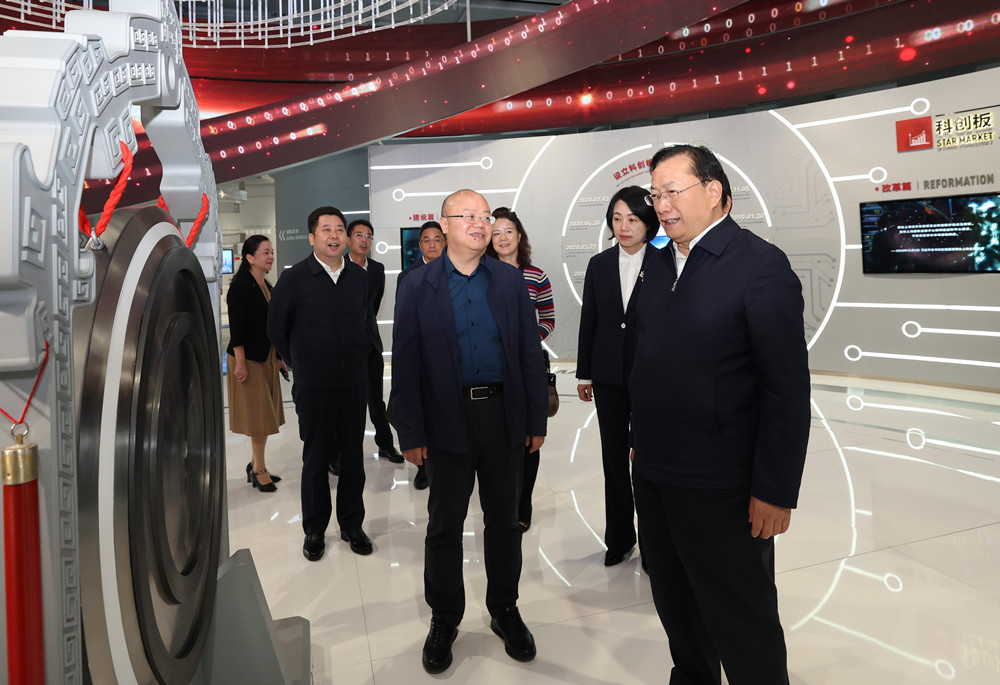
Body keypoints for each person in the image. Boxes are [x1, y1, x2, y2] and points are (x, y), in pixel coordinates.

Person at [630, 145, 810, 685]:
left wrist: (775, 489)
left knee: (740, 616)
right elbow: (646, 359)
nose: (661, 205)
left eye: (672, 191)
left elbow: (786, 389)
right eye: (655, 195)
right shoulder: (658, 262)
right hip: (656, 474)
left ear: (713, 191)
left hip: (722, 485)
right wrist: (639, 438)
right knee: (675, 602)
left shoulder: (760, 265)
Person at [390, 189, 548, 674]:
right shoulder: (416, 285)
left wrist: (535, 419)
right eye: (469, 216)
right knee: (444, 525)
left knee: (504, 521)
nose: (481, 223)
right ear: (444, 224)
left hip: (502, 416)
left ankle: (505, 609)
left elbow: (528, 353)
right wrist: (411, 430)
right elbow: (406, 361)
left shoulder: (509, 280)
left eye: (485, 216)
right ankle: (444, 618)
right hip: (445, 418)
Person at [267, 206, 374, 561]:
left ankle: (352, 525)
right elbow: (276, 328)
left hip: (354, 382)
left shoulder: (359, 277)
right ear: (312, 237)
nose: (334, 235)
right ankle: (314, 529)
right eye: (326, 229)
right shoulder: (294, 278)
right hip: (314, 385)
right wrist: (300, 361)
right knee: (315, 458)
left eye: (339, 229)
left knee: (353, 457)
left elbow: (364, 319)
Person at [575, 186, 658, 566]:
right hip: (608, 376)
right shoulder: (599, 264)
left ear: (648, 223)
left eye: (633, 219)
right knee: (613, 459)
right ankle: (619, 539)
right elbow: (589, 320)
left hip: (648, 377)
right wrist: (585, 374)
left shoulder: (664, 262)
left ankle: (655, 546)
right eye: (617, 218)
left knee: (648, 460)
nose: (624, 227)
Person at [486, 207, 555, 531]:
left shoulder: (536, 275)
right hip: (492, 367)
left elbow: (548, 319)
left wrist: (526, 342)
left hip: (527, 366)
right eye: (496, 233)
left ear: (519, 236)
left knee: (529, 436)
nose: (502, 238)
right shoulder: (481, 274)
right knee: (497, 437)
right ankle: (501, 504)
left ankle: (522, 504)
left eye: (508, 231)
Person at [226, 234, 286, 493]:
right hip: (248, 359)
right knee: (259, 419)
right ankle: (259, 469)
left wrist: (279, 358)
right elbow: (237, 328)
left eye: (271, 251)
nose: (270, 256)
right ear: (249, 258)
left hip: (266, 357)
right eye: (265, 252)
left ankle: (255, 464)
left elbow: (272, 326)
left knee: (265, 415)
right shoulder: (240, 287)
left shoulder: (265, 285)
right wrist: (240, 362)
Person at [346, 219, 405, 464]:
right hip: (346, 346)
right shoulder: (339, 267)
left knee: (376, 399)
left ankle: (385, 445)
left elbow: (373, 304)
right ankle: (343, 451)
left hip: (370, 343)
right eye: (359, 235)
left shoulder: (377, 269)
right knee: (348, 402)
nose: (364, 240)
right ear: (348, 239)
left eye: (368, 236)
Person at [394, 220, 446, 490]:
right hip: (420, 354)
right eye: (427, 240)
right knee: (421, 411)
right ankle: (423, 468)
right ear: (420, 245)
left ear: (445, 243)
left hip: (447, 355)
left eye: (437, 239)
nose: (432, 244)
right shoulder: (408, 276)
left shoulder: (455, 271)